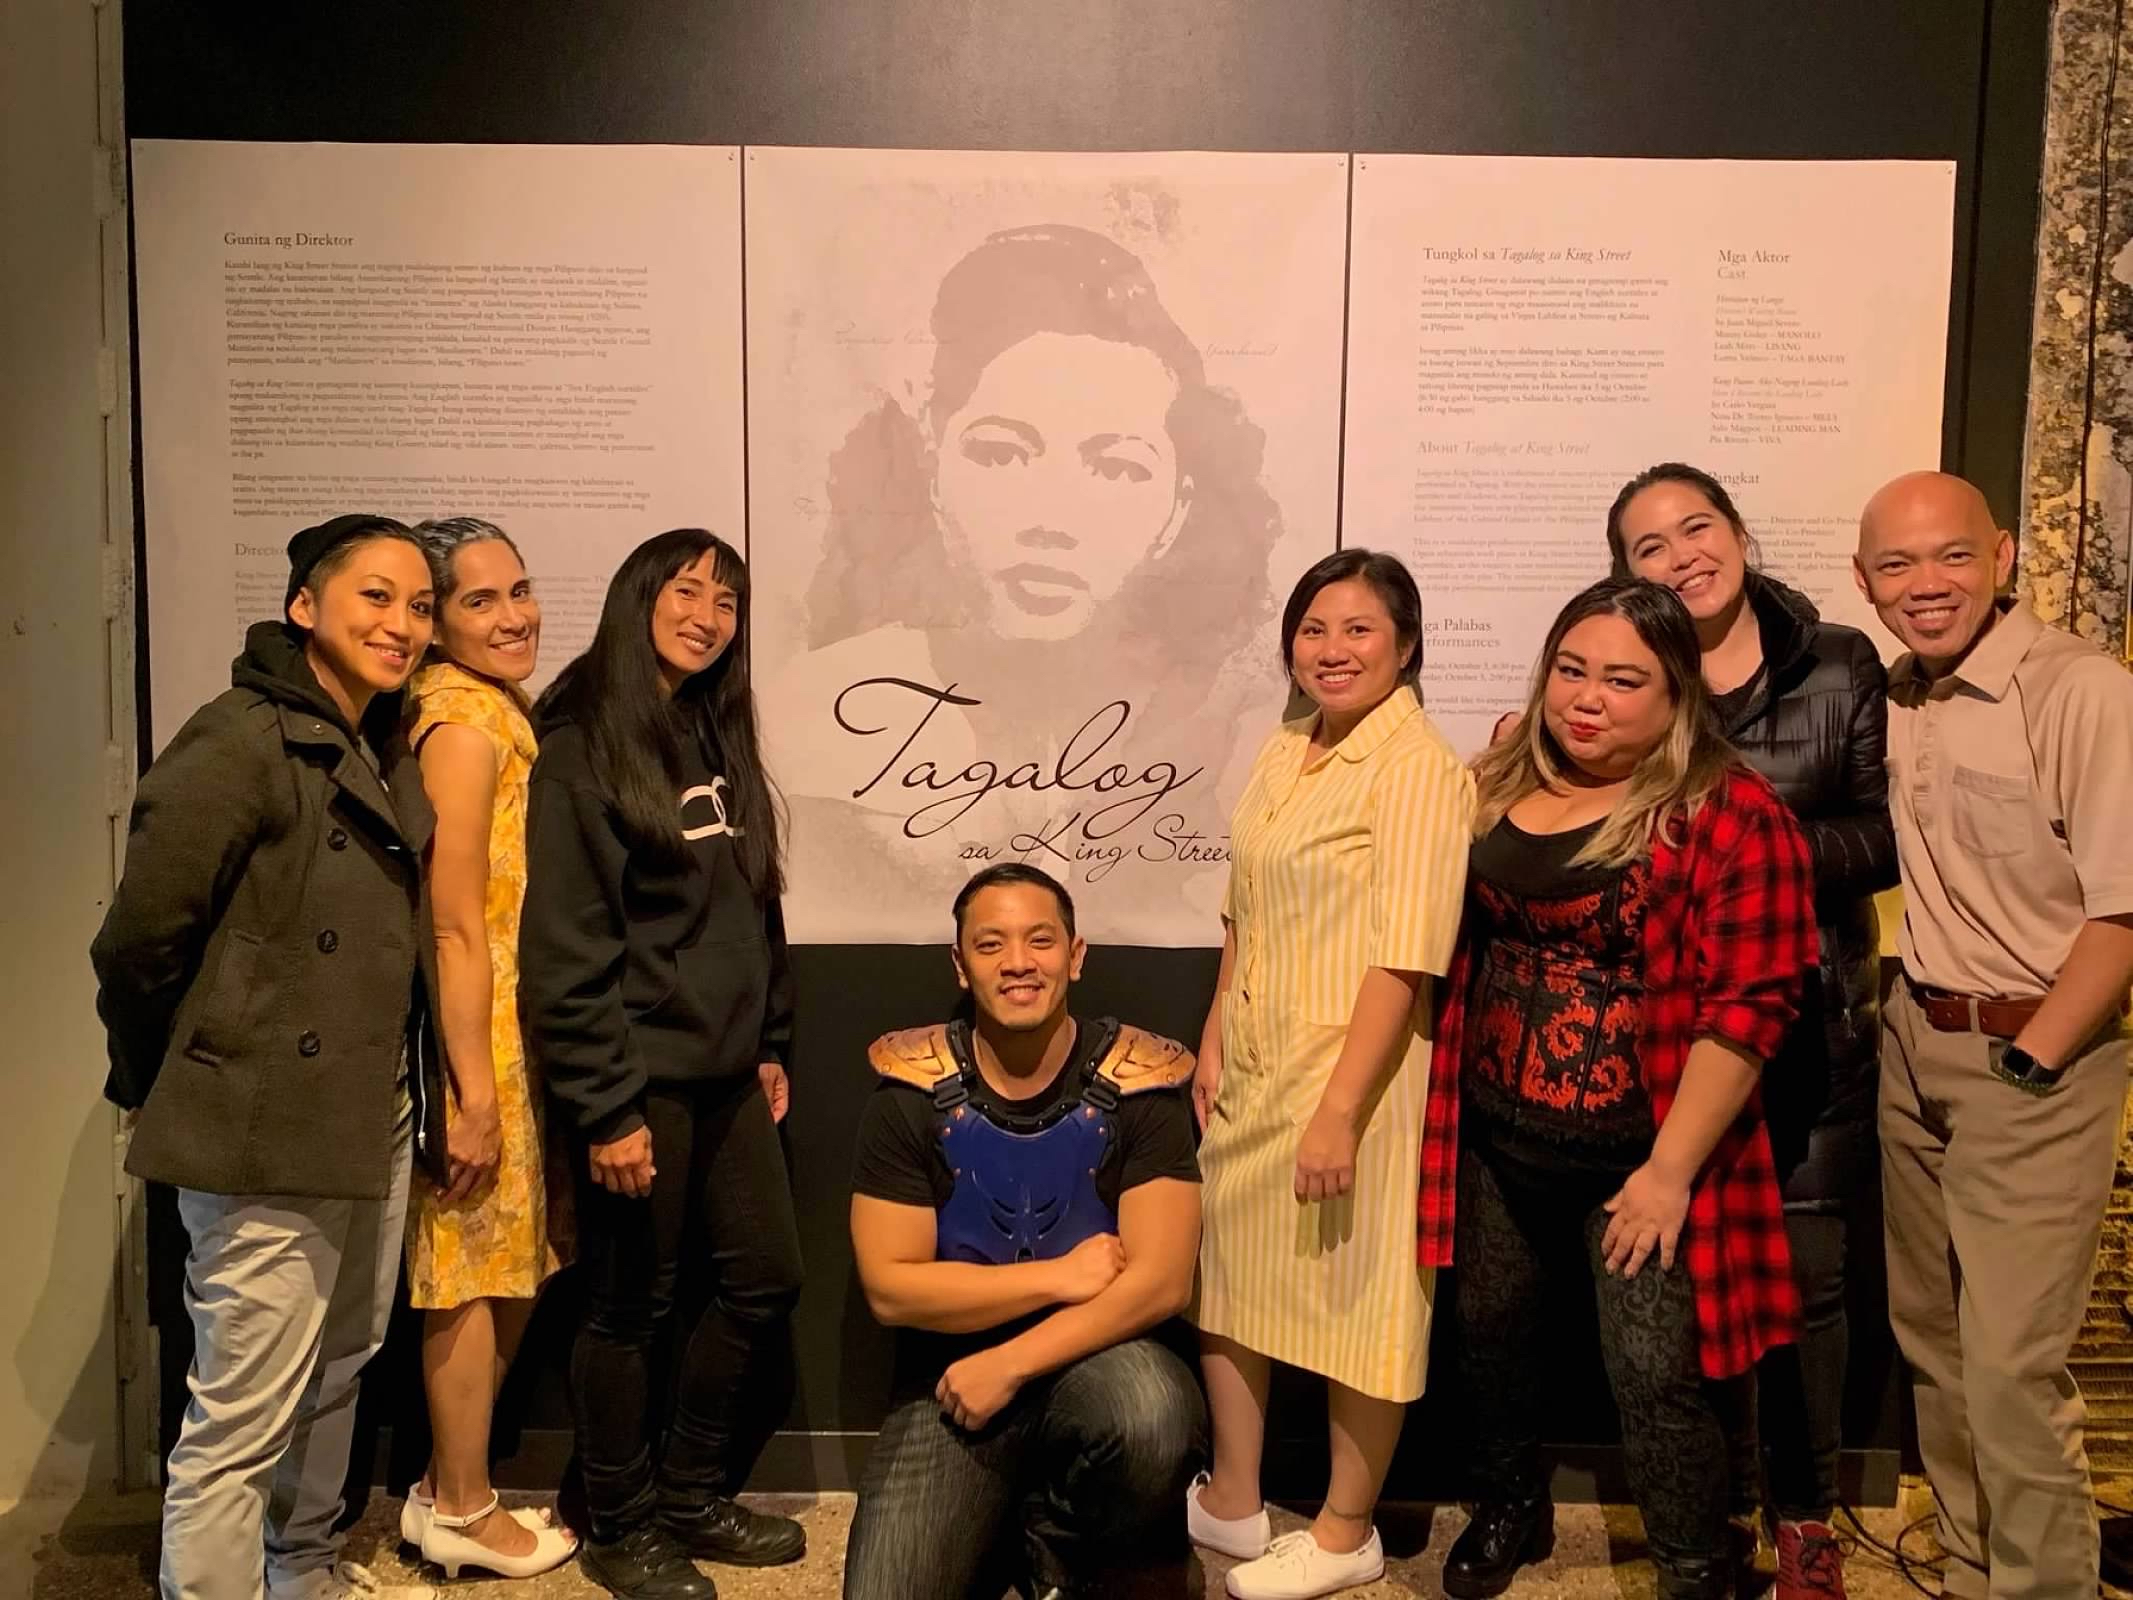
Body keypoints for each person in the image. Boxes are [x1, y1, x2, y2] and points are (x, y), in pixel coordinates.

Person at [1436, 577, 1818, 1600]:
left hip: (1640, 1156)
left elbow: (1751, 1009)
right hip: (1496, 1139)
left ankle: (1701, 1569)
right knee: (1490, 1339)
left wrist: (1667, 1171)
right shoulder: (1496, 778)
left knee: (1655, 1377)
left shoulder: (1730, 814)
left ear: (1676, 693)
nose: (1585, 697)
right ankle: (1512, 1504)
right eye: (1570, 669)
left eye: (1621, 678)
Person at [92, 515, 446, 1600]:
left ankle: (299, 1572)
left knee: (338, 1368)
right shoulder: (241, 735)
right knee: (240, 1411)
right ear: (306, 608)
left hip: (370, 1105)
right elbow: (142, 935)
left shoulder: (379, 742)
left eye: (420, 605)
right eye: (376, 596)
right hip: (263, 1114)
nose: (403, 622)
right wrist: (198, 1067)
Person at [763, 222, 1289, 927]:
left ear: (1174, 509)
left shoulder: (1243, 736)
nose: (1052, 518)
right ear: (934, 458)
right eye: (1003, 454)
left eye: (1116, 468)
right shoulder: (813, 716)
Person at [1609, 463, 1896, 1595]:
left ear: (1737, 531)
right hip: (1673, 1038)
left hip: (1817, 1024)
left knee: (1811, 1292)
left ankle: (1809, 1524)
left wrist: (1752, 857)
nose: (1682, 555)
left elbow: (1884, 836)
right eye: (1648, 546)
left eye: (1698, 527)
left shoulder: (1838, 663)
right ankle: (1713, 1513)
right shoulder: (1633, 679)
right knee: (1689, 1285)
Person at [1855, 470, 2133, 1599]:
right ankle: (1972, 1570)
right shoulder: (1899, 694)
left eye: (1953, 557)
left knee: (2014, 1366)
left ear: (2005, 554)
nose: (1927, 586)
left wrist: (2033, 1056)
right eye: (1899, 565)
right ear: (1866, 581)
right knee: (1935, 1340)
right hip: (1915, 1042)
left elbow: (2122, 913)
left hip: (2033, 1055)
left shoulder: (2082, 690)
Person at [520, 529, 805, 1600]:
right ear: (637, 597)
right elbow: (564, 949)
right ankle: (618, 1518)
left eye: (725, 600)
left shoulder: (711, 730)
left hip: (728, 1074)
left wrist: (771, 1037)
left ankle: (687, 1492)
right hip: (639, 1077)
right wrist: (605, 1106)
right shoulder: (584, 745)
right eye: (684, 590)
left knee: (764, 1279)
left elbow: (754, 905)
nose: (705, 612)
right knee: (628, 1304)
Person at [1187, 550, 1476, 1600]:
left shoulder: (1418, 768)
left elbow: (1407, 953)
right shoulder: (1286, 744)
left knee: (1360, 1300)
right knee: (1231, 1279)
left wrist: (1340, 1111)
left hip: (1359, 1074)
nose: (1333, 648)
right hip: (1257, 1059)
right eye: (1315, 628)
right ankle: (1234, 1495)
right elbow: (1243, 904)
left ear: (1404, 645)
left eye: (1360, 629)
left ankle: (1348, 1529)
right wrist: (1216, 1025)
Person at [842, 863, 1206, 1600]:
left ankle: (1058, 1533)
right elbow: (890, 1287)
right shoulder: (909, 1093)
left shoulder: (1140, 1080)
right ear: (959, 962)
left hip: (1097, 1360)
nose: (1017, 962)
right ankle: (997, 1513)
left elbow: (1163, 1280)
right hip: (950, 1383)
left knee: (1153, 1415)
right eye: (990, 944)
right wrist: (1056, 1276)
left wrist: (1011, 1361)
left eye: (1040, 940)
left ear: (1074, 955)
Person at [392, 517, 574, 1580]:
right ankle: (460, 1502)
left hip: (515, 1029)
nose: (514, 615)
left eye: (521, 588)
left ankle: (440, 1492)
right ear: (439, 622)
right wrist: (470, 1086)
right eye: (478, 600)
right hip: (482, 1035)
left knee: (508, 1267)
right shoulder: (460, 721)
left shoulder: (495, 711)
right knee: (467, 1268)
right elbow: (452, 916)